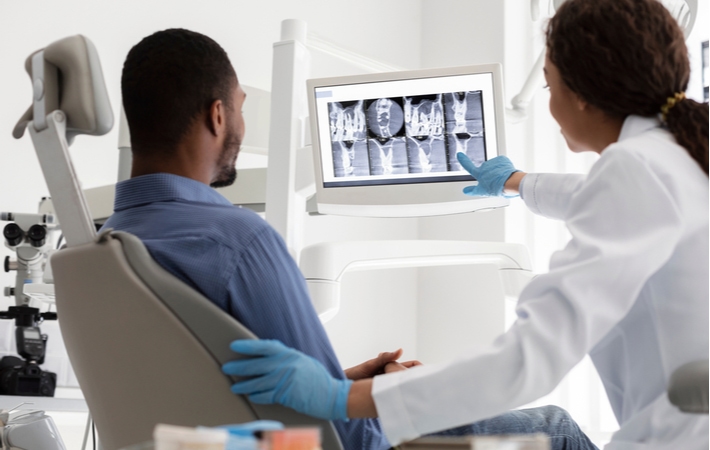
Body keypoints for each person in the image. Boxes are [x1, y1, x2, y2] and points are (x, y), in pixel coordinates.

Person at [222, 0, 709, 448]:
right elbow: (592, 200)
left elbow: (527, 361)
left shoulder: (635, 172)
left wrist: (338, 397)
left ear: (582, 96)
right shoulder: (680, 154)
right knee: (555, 424)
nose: (547, 99)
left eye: (547, 83)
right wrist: (514, 181)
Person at [104, 28, 595, 450]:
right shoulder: (241, 243)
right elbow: (352, 437)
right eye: (238, 109)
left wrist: (341, 383)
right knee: (560, 429)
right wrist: (389, 397)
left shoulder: (106, 246)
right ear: (217, 116)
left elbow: (205, 385)